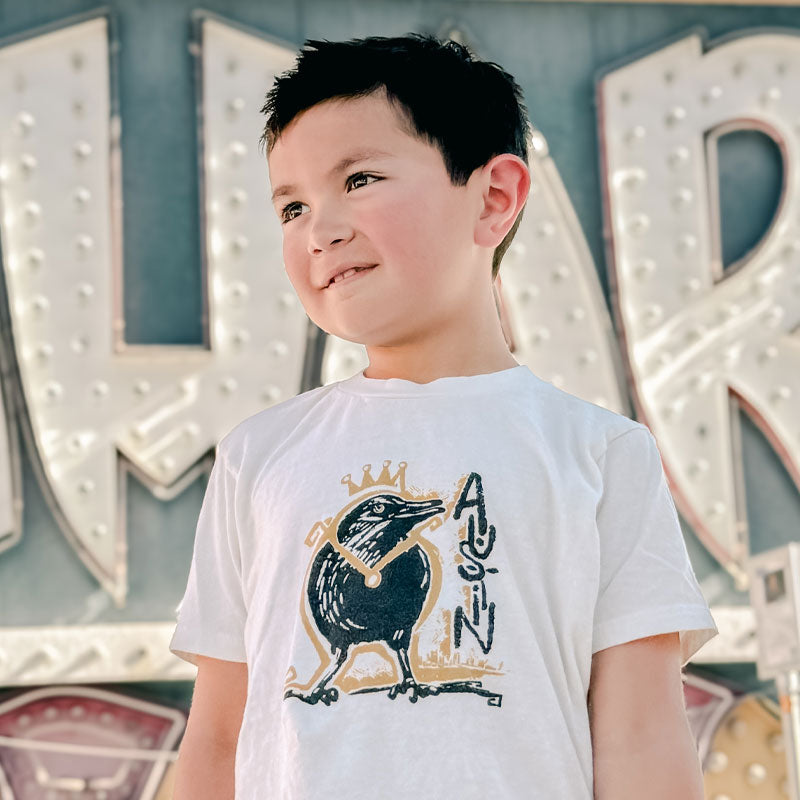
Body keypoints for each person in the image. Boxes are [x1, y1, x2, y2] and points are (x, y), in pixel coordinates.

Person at [169, 33, 718, 800]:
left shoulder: (600, 454)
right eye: (291, 206)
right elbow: (219, 739)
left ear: (493, 197)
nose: (319, 229)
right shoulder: (259, 456)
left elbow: (639, 737)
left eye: (358, 178)